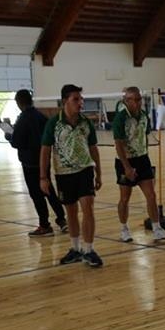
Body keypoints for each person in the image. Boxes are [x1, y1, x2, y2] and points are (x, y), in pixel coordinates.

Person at [40, 84, 104, 267]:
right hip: (64, 174)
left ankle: (89, 250)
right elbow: (45, 150)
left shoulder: (86, 122)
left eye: (81, 98)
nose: (80, 102)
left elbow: (93, 148)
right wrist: (43, 177)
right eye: (76, 99)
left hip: (85, 170)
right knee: (72, 212)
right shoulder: (54, 123)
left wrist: (98, 172)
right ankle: (75, 249)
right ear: (65, 101)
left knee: (88, 208)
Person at [112, 86, 165, 242]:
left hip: (143, 159)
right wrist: (127, 167)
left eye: (139, 99)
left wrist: (146, 157)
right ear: (126, 101)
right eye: (134, 100)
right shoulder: (120, 118)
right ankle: (124, 229)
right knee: (125, 198)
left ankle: (157, 228)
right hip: (125, 161)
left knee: (151, 195)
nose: (138, 102)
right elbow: (118, 144)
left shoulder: (144, 116)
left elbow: (144, 137)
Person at [7, 89, 67, 237]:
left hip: (30, 163)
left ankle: (44, 225)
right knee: (48, 190)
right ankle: (62, 219)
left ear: (19, 102)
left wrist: (8, 135)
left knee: (36, 194)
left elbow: (16, 142)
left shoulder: (22, 119)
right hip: (43, 160)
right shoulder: (41, 116)